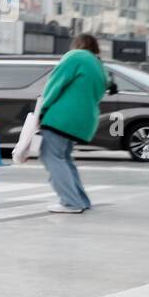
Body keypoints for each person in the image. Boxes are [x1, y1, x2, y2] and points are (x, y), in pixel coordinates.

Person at [38, 35, 107, 214]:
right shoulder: (99, 65)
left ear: (77, 44)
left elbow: (55, 84)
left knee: (51, 156)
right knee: (64, 158)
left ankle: (70, 202)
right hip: (85, 119)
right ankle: (81, 200)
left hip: (62, 117)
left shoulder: (75, 56)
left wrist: (42, 109)